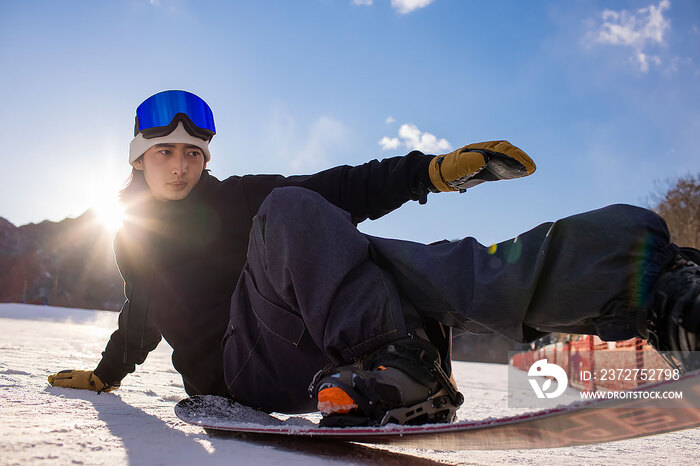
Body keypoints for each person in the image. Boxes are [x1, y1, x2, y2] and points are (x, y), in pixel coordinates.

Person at [49, 90, 700, 427]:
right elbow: (141, 313)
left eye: (194, 153)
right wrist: (107, 374)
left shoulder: (234, 199)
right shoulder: (132, 234)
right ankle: (397, 363)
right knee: (292, 208)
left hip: (317, 346)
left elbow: (342, 186)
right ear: (139, 157)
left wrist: (435, 172)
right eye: (166, 152)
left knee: (397, 257)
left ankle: (653, 289)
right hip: (237, 371)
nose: (182, 165)